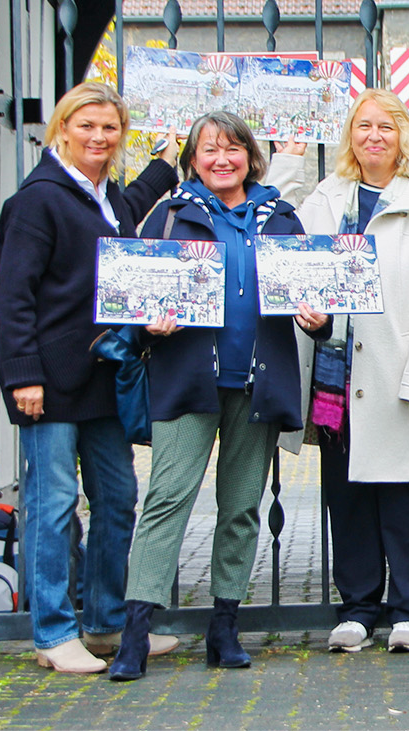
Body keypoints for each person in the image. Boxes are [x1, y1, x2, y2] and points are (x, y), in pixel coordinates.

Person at [108, 111, 322, 680]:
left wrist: (319, 320)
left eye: (232, 149)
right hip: (187, 380)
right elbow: (135, 292)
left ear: (252, 156)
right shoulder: (171, 215)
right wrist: (147, 322)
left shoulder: (281, 217)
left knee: (241, 508)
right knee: (167, 501)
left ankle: (224, 627)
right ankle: (135, 630)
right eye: (209, 150)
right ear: (193, 160)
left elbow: (313, 301)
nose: (221, 159)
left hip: (257, 382)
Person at [0, 81, 178, 674]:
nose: (99, 138)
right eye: (87, 126)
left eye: (110, 128)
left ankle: (104, 623)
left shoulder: (107, 198)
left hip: (103, 376)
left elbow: (137, 203)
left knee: (119, 498)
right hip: (48, 380)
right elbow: (14, 295)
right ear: (62, 130)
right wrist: (23, 374)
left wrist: (166, 161)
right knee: (51, 507)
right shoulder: (38, 200)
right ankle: (52, 633)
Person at [287, 90, 409, 656]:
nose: (373, 136)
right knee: (348, 493)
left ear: (403, 136)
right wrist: (292, 157)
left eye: (385, 127)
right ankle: (358, 608)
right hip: (336, 372)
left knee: (406, 496)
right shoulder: (326, 198)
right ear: (349, 136)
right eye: (362, 126)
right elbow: (281, 232)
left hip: (399, 370)